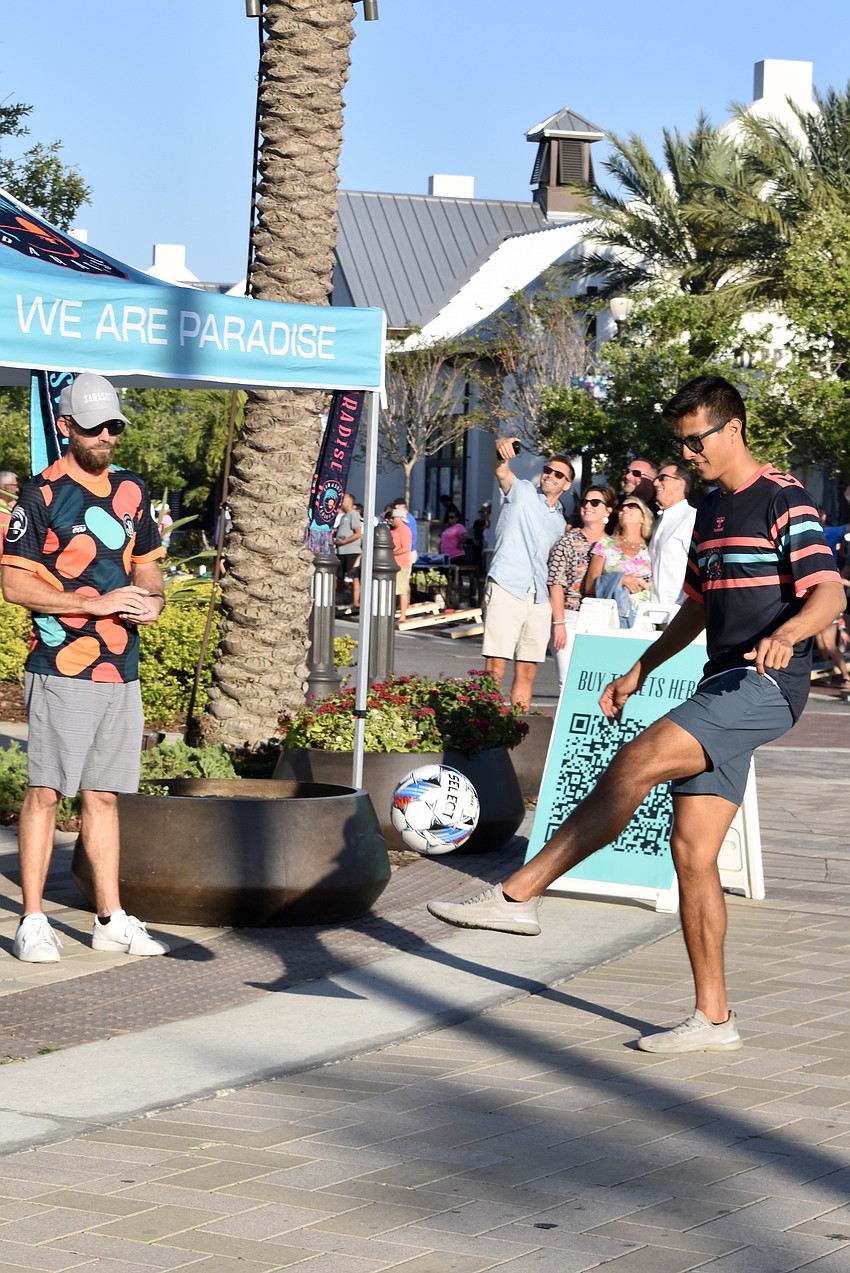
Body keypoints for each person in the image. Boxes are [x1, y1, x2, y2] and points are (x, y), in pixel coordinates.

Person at [428, 374, 844, 1054]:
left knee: (637, 760)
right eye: (680, 443)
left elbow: (828, 591)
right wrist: (641, 668)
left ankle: (518, 895)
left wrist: (791, 633)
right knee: (693, 852)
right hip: (721, 681)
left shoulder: (784, 499)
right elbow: (699, 607)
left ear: (732, 428)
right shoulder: (711, 510)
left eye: (696, 440)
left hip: (767, 685)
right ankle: (714, 1019)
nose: (688, 454)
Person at [0, 372, 171, 964]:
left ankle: (109, 918)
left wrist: (150, 597)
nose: (106, 437)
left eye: (114, 426)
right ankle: (33, 919)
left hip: (121, 666)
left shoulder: (131, 490)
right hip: (61, 665)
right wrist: (92, 604)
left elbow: (147, 563)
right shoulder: (40, 495)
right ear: (66, 426)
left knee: (103, 796)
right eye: (94, 426)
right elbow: (14, 583)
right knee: (46, 791)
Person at [482, 440, 571, 710]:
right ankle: (481, 722)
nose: (550, 475)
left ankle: (515, 727)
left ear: (566, 485)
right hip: (508, 586)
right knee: (495, 666)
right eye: (547, 470)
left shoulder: (561, 522)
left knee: (528, 670)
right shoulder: (520, 491)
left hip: (539, 598)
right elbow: (501, 471)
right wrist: (500, 450)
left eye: (558, 474)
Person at [548, 484, 617, 688]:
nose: (588, 506)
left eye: (595, 502)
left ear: (608, 510)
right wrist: (559, 624)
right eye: (584, 502)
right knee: (567, 681)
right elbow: (556, 582)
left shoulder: (615, 545)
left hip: (603, 618)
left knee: (596, 683)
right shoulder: (566, 542)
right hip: (570, 616)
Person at [582, 495, 653, 625]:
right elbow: (590, 586)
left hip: (646, 619)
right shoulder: (605, 544)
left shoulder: (652, 547)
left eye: (632, 506)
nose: (625, 509)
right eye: (621, 507)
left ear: (643, 517)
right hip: (612, 619)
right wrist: (620, 579)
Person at [650, 462, 697, 608]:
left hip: (677, 611)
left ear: (680, 484)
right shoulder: (657, 522)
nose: (655, 482)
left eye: (662, 477)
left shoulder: (692, 518)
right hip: (650, 610)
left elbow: (701, 568)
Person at [334, 491, 363, 608]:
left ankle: (356, 602)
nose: (341, 502)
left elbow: (358, 533)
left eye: (343, 499)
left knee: (354, 577)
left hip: (351, 551)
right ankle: (338, 599)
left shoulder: (353, 515)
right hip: (341, 551)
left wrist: (344, 542)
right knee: (339, 576)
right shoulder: (343, 517)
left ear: (350, 501)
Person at [388, 504, 413, 623]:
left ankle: (403, 616)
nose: (391, 520)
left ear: (400, 518)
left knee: (402, 590)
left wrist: (391, 554)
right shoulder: (392, 531)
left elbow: (405, 548)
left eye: (393, 518)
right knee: (393, 590)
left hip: (401, 564)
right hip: (391, 564)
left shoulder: (405, 531)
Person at [0, 470, 20, 552]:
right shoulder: (4, 515)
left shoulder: (11, 509)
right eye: (15, 486)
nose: (17, 489)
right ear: (6, 487)